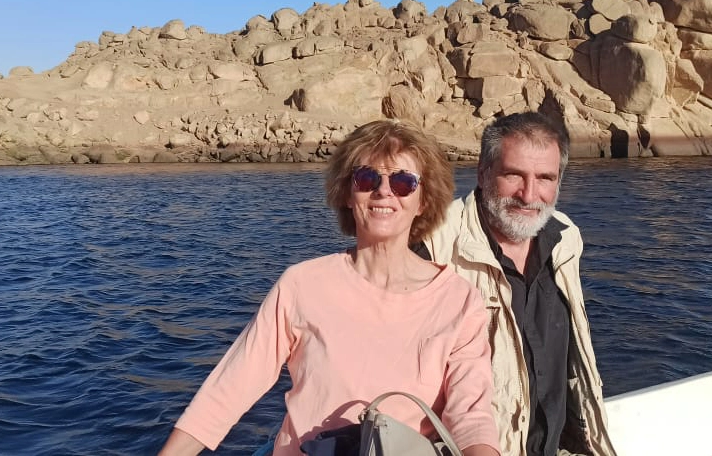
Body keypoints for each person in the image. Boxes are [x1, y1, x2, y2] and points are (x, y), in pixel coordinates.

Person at [158, 119, 501, 456]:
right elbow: (229, 389)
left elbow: (470, 414)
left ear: (423, 201)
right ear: (349, 194)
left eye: (403, 182)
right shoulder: (302, 284)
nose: (383, 191)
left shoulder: (458, 300)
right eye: (367, 178)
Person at [420, 112, 617, 456]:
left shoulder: (565, 238)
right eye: (514, 175)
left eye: (545, 178)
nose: (529, 195)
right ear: (483, 173)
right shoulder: (433, 247)